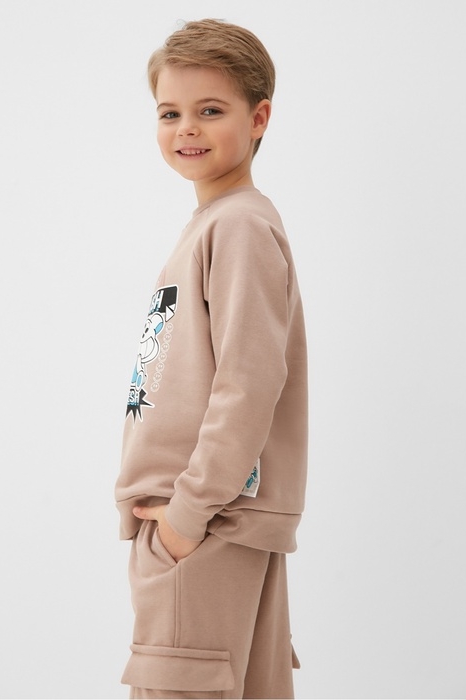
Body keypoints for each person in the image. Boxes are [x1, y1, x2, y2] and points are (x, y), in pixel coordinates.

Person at [115, 18, 308, 699]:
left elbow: (248, 383)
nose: (186, 129)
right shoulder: (215, 224)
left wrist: (186, 517)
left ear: (258, 119)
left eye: (210, 110)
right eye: (170, 113)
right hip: (211, 521)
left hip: (205, 521)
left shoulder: (239, 226)